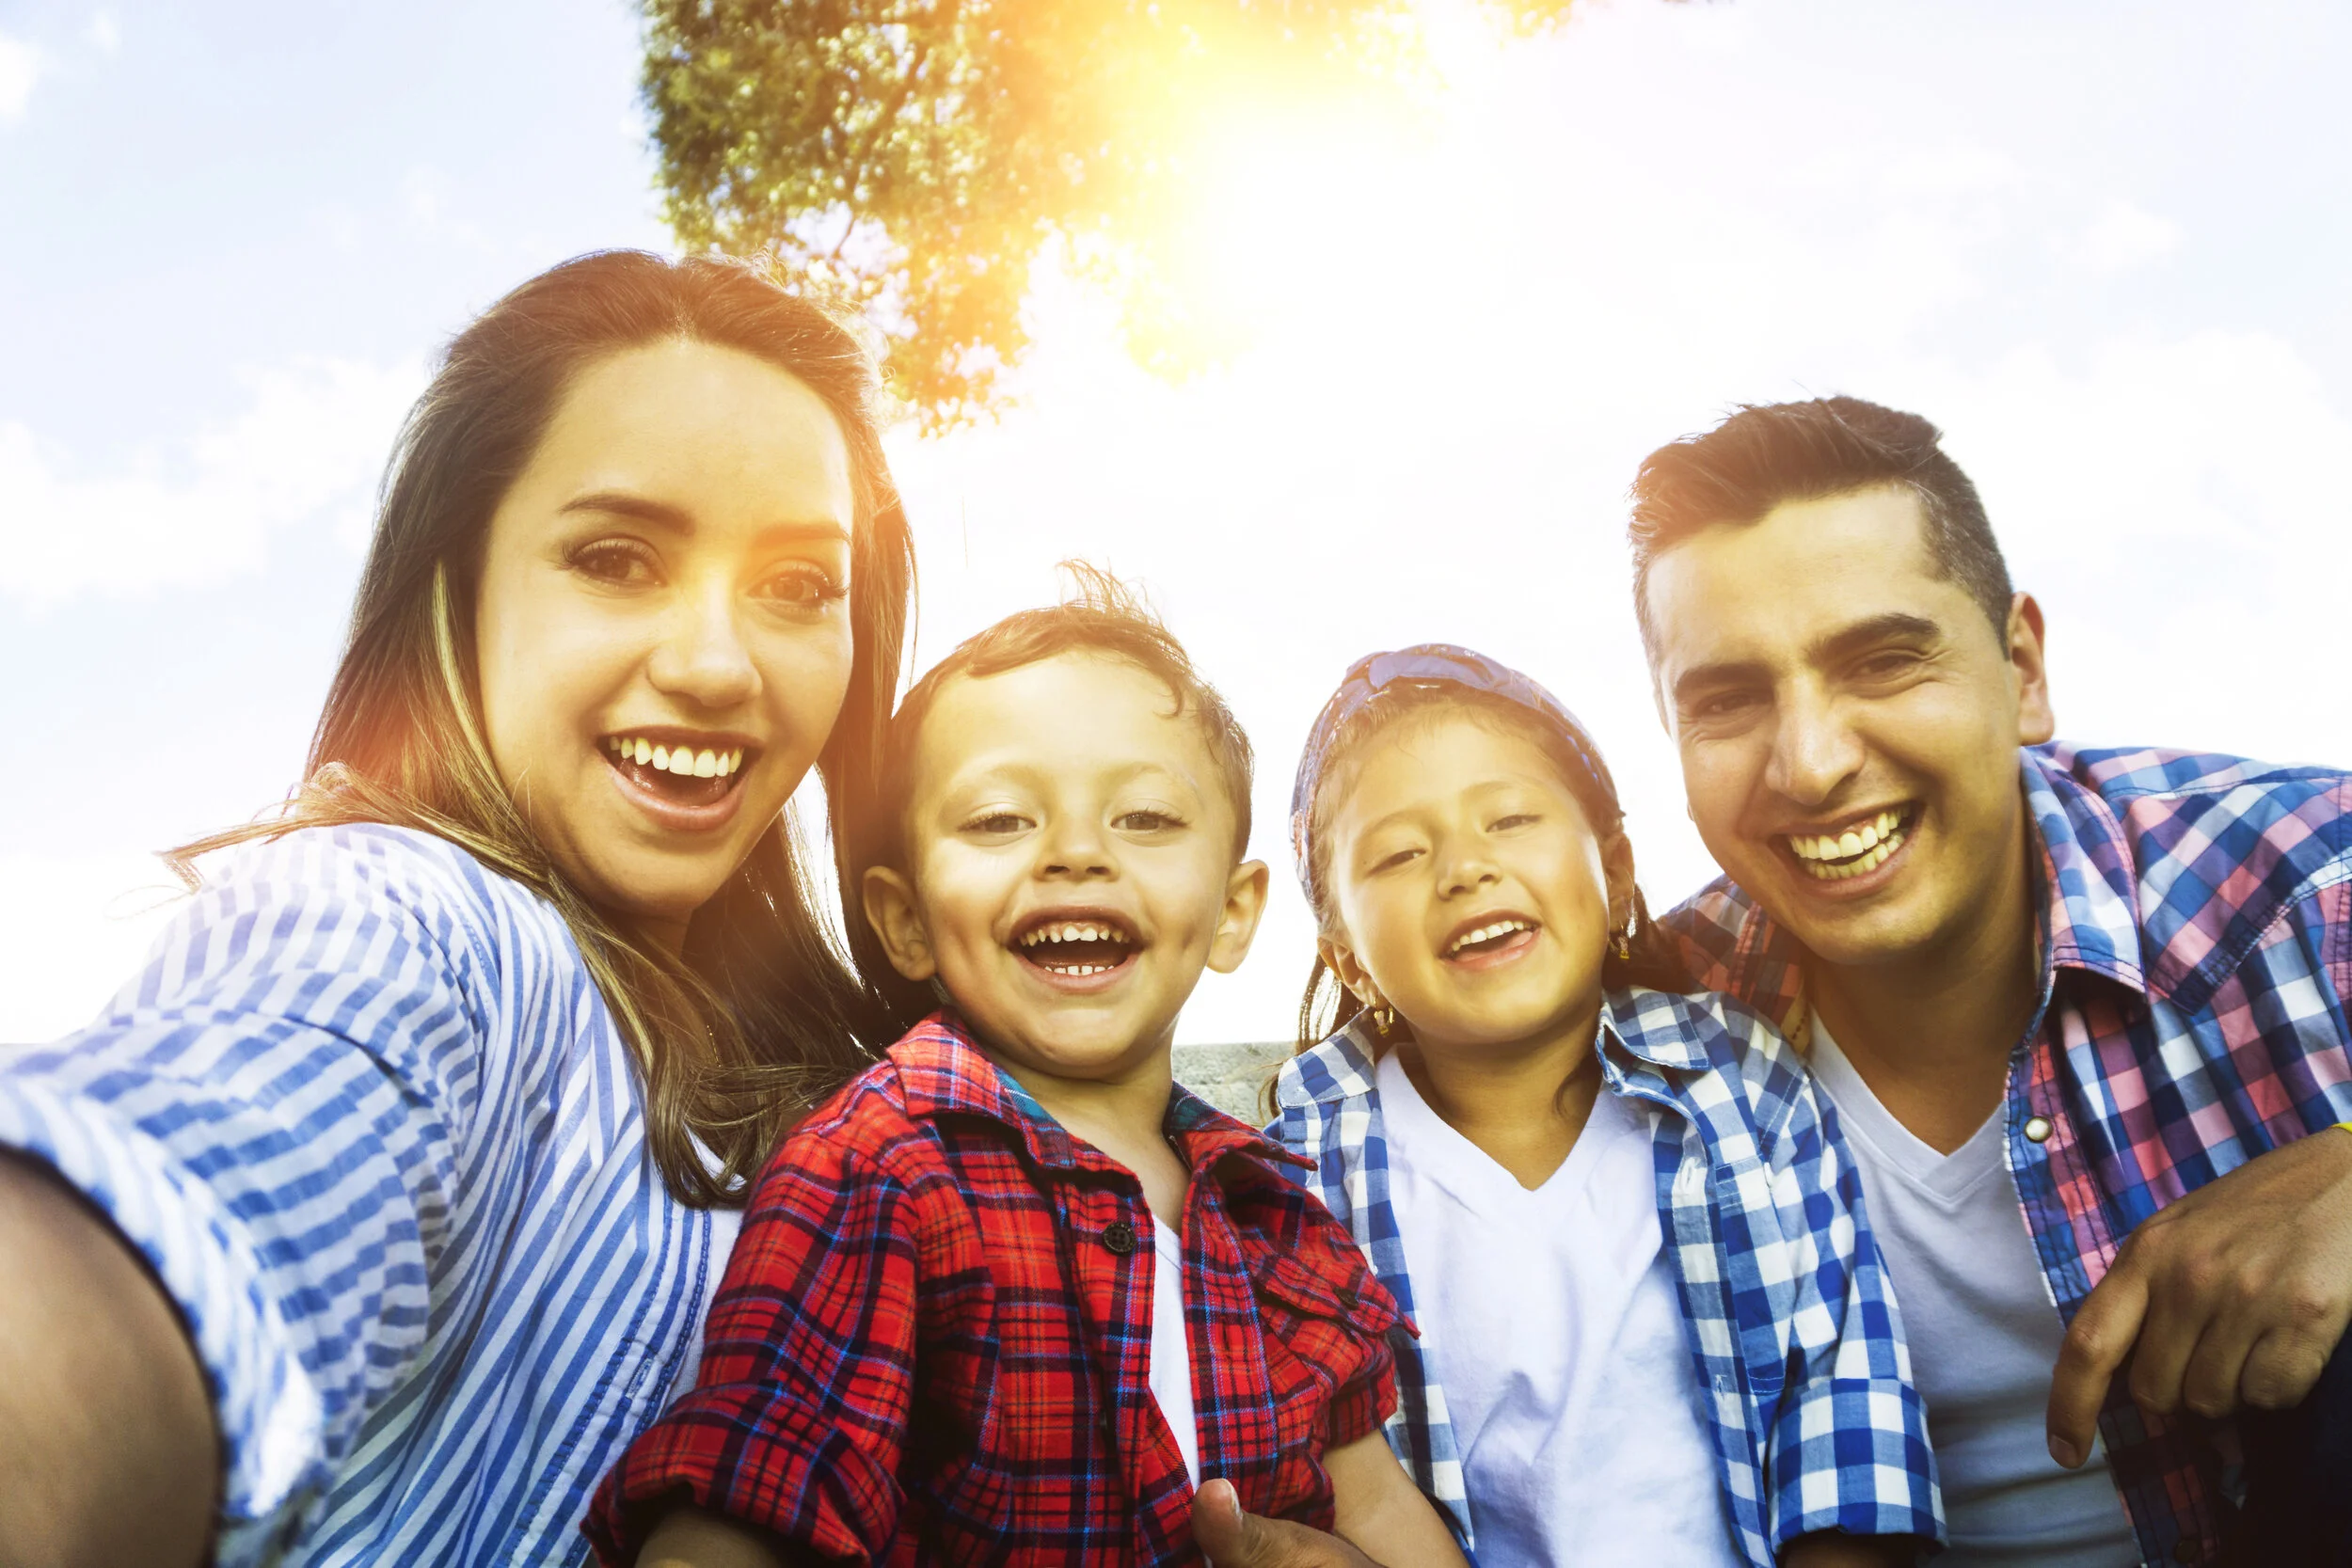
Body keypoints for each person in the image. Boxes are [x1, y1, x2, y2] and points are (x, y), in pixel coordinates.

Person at [0, 249, 917, 1567]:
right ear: (459, 587)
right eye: (615, 557)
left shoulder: (865, 1102)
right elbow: (200, 1183)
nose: (717, 663)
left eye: (798, 586)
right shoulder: (396, 918)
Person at [586, 575, 1469, 1566]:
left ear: (1232, 913)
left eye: (1145, 816)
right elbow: (744, 1501)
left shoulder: (1277, 1217)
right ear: (906, 920)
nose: (1077, 852)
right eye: (1001, 818)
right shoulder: (877, 1165)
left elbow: (1376, 1504)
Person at [1632, 397, 2352, 1566]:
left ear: (2020, 669)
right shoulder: (1641, 1032)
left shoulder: (2305, 879)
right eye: (1726, 698)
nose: (1809, 763)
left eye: (1881, 660)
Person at [1269, 644, 1942, 1568]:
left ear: (1615, 869)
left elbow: (1839, 1402)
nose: (1464, 867)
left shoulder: (1740, 1085)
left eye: (1510, 817)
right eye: (1400, 852)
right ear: (1346, 953)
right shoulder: (1299, 1179)